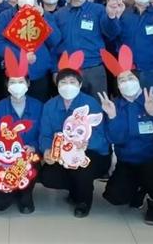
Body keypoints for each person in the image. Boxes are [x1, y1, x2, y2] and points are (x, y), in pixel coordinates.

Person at [98, 45, 153, 225]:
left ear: (138, 80)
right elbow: (115, 139)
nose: (126, 83)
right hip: (128, 162)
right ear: (118, 85)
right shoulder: (114, 106)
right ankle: (140, 188)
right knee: (114, 196)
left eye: (130, 78)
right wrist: (113, 117)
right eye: (122, 80)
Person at [39, 51, 110, 218]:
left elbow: (102, 137)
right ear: (57, 84)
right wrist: (47, 150)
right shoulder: (50, 106)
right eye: (63, 82)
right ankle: (74, 189)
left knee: (81, 167)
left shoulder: (90, 103)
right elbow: (45, 135)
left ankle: (84, 200)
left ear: (80, 84)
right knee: (47, 176)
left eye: (72, 82)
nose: (67, 86)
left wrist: (85, 144)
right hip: (62, 153)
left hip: (91, 153)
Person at [0, 0, 62, 102]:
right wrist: (21, 55)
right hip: (14, 75)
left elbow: (55, 41)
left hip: (39, 74)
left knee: (39, 107)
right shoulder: (5, 16)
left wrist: (42, 18)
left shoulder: (45, 15)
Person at [52, 0, 122, 96]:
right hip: (68, 71)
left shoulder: (98, 10)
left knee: (98, 104)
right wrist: (55, 69)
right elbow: (54, 45)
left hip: (94, 69)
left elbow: (112, 33)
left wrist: (112, 17)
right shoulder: (59, 14)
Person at [0, 48, 44, 213]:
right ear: (7, 85)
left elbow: (44, 134)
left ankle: (25, 194)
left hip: (28, 157)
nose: (17, 86)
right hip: (3, 159)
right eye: (13, 82)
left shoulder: (39, 107)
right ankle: (9, 187)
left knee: (31, 162)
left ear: (28, 84)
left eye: (21, 82)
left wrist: (34, 147)